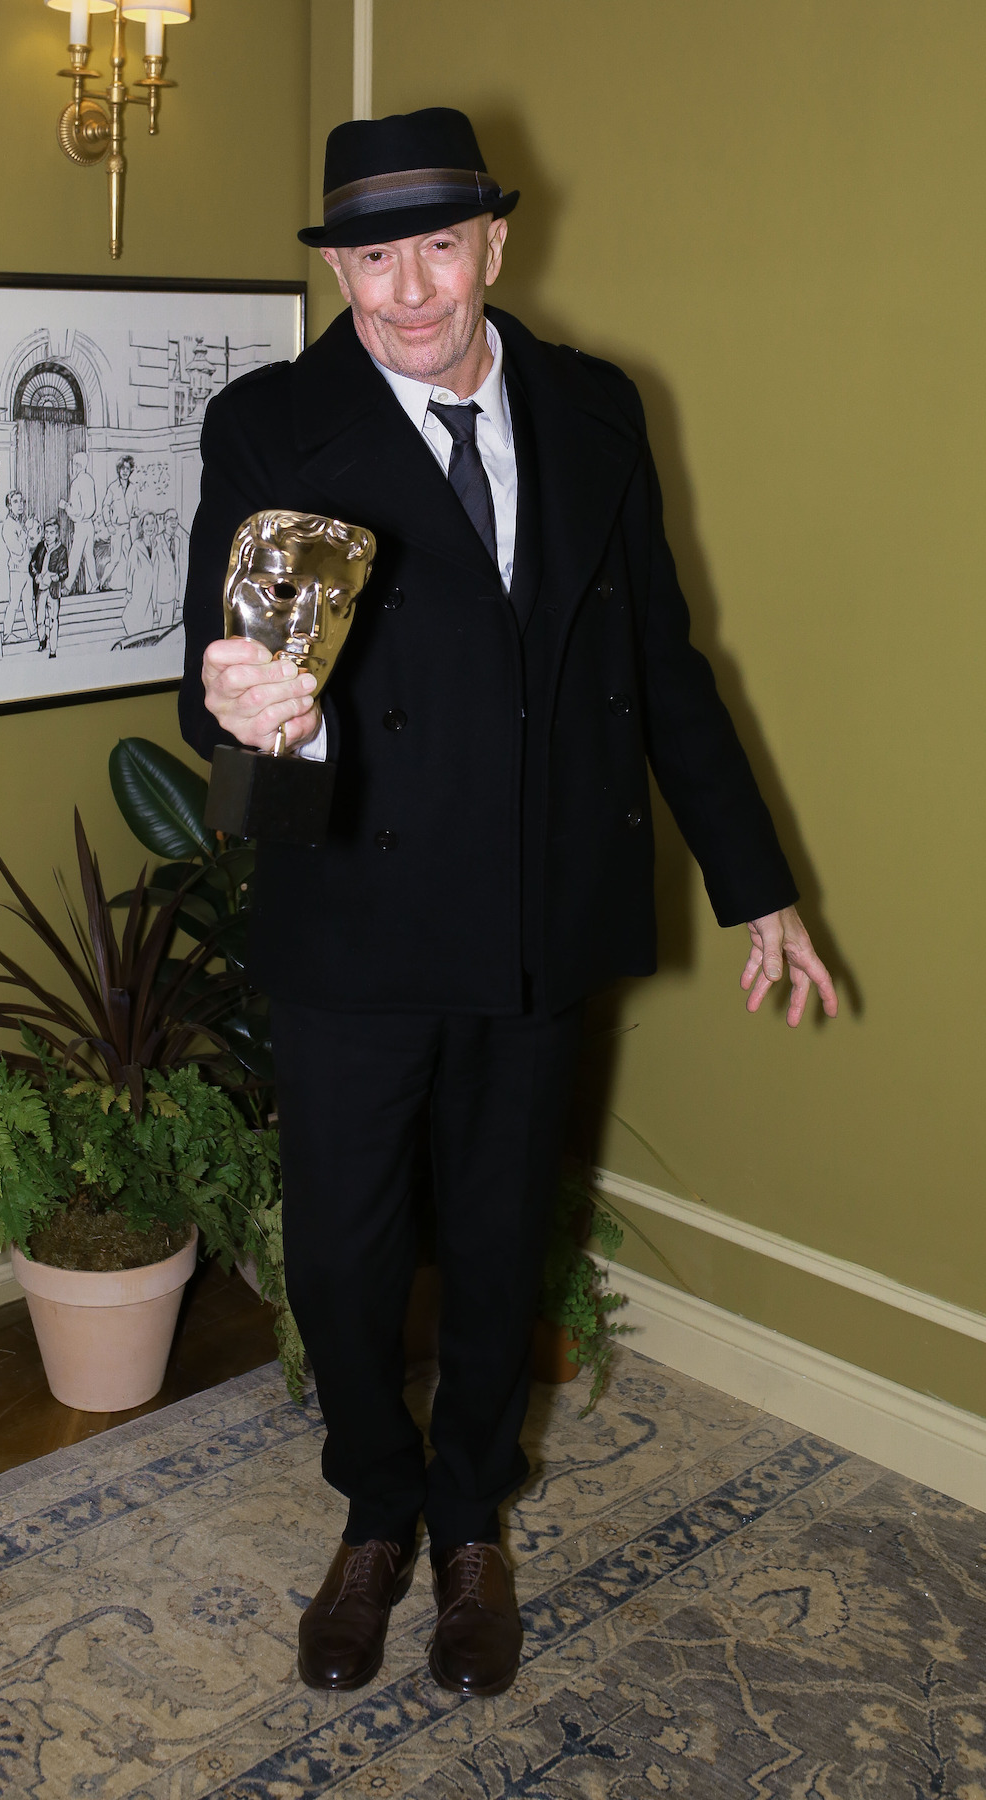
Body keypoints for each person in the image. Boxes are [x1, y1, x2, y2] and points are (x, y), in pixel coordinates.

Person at [179, 108, 838, 1701]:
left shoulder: (597, 409)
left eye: (434, 247)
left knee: (492, 1241)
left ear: (494, 244)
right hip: (357, 914)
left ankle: (469, 1521)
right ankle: (375, 1511)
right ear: (337, 266)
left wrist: (762, 892)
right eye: (367, 256)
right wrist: (250, 703)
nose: (403, 290)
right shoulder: (270, 421)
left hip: (540, 913)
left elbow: (663, 669)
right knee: (343, 1257)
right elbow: (225, 678)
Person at [30, 518, 69, 657]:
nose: (48, 535)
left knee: (53, 620)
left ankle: (53, 650)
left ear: (57, 534)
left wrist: (56, 577)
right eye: (46, 532)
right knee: (39, 619)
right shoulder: (41, 547)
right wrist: (36, 575)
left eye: (51, 532)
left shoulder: (61, 550)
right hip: (41, 589)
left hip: (53, 591)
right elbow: (33, 565)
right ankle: (42, 639)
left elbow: (65, 571)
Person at [0, 489, 35, 642]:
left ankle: (32, 630)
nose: (20, 505)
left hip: (26, 569)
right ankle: (7, 633)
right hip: (16, 570)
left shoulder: (18, 523)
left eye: (21, 501)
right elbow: (19, 550)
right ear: (9, 505)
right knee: (14, 602)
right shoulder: (8, 525)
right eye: (15, 502)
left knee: (28, 603)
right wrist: (26, 530)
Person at [63, 451, 99, 595]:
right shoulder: (89, 480)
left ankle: (67, 585)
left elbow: (76, 511)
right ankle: (95, 583)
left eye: (73, 463)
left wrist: (65, 506)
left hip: (81, 525)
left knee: (75, 554)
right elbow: (92, 507)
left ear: (77, 465)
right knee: (88, 554)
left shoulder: (76, 483)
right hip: (90, 524)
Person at [121, 511, 160, 638]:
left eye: (153, 523)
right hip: (139, 589)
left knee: (148, 624)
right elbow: (129, 570)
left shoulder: (157, 545)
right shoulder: (136, 546)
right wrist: (129, 590)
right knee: (134, 619)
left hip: (152, 591)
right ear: (142, 527)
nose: (150, 527)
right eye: (147, 523)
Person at [101, 454, 137, 589]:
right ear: (118, 470)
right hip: (116, 528)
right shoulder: (112, 487)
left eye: (127, 469)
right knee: (115, 559)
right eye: (122, 469)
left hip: (127, 528)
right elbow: (105, 507)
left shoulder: (132, 488)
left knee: (129, 557)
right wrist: (109, 524)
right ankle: (102, 582)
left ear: (131, 470)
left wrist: (136, 512)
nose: (125, 472)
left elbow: (135, 507)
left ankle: (130, 584)